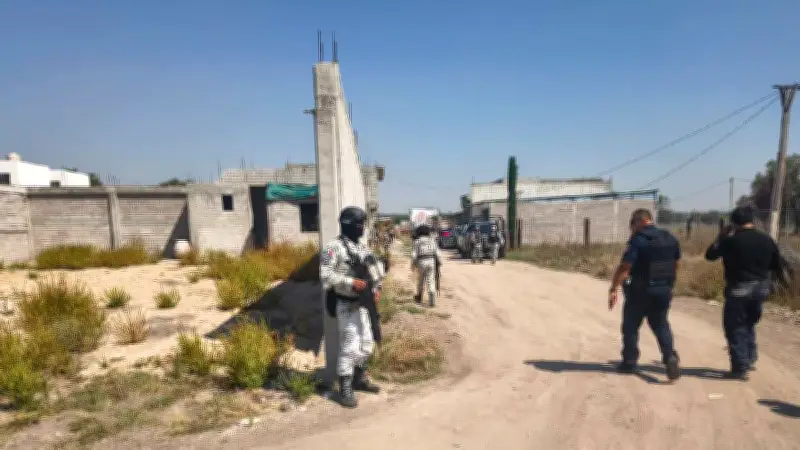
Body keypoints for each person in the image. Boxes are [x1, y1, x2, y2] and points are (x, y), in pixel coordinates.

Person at [704, 205, 788, 380]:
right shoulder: (767, 240)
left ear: (733, 223)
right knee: (749, 322)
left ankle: (740, 366)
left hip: (740, 287)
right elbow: (775, 264)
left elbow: (710, 255)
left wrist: (721, 236)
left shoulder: (730, 241)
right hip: (762, 286)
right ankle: (749, 357)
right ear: (752, 220)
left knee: (735, 326)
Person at [320, 206, 386, 408]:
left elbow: (375, 271)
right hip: (345, 305)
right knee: (349, 347)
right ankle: (345, 388)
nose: (362, 229)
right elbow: (325, 275)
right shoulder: (333, 248)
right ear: (348, 224)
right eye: (359, 225)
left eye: (363, 225)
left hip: (364, 305)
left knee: (367, 344)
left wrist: (377, 289)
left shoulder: (363, 248)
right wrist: (350, 282)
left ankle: (359, 378)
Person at [608, 209, 681, 381]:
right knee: (661, 325)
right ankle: (670, 356)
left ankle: (629, 362)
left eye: (632, 226)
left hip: (639, 292)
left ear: (638, 222)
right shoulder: (669, 238)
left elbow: (626, 267)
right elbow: (676, 263)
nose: (631, 229)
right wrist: (670, 285)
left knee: (630, 327)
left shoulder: (638, 240)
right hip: (663, 290)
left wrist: (613, 288)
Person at [411, 224, 442, 307]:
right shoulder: (432, 240)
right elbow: (437, 252)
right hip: (431, 261)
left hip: (421, 261)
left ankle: (419, 297)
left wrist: (412, 265)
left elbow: (414, 254)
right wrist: (439, 261)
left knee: (420, 281)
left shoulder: (417, 241)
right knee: (431, 280)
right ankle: (432, 300)